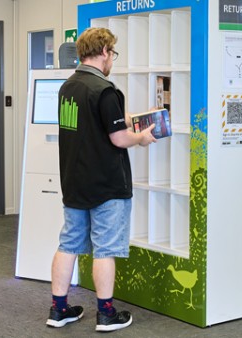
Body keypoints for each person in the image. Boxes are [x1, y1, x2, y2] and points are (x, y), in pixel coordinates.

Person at [45, 27, 156, 332]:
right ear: (105, 51)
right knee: (105, 248)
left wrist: (127, 117)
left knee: (68, 243)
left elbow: (93, 123)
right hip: (107, 185)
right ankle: (106, 313)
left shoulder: (68, 87)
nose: (112, 60)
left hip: (74, 180)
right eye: (112, 54)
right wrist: (142, 137)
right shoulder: (105, 90)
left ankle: (59, 309)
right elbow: (119, 139)